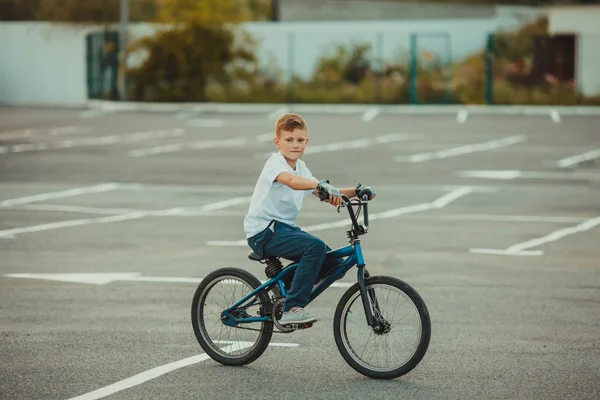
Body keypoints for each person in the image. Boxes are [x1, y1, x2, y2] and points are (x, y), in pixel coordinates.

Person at [244, 113, 376, 326]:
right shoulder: (275, 164)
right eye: (289, 140)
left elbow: (323, 192)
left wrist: (357, 191)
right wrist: (318, 185)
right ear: (277, 142)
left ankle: (284, 291)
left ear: (306, 142)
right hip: (263, 231)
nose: (294, 145)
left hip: (284, 229)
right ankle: (291, 308)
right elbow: (293, 182)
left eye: (300, 140)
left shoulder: (301, 167)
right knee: (314, 247)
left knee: (333, 262)